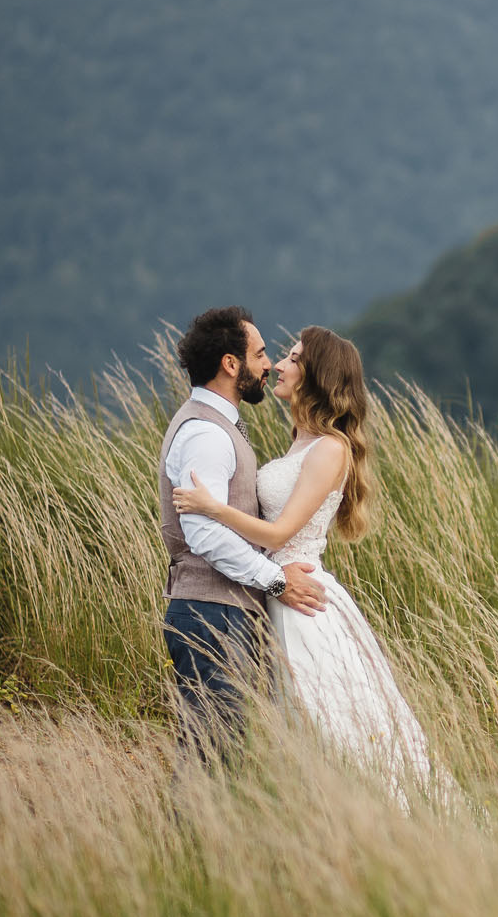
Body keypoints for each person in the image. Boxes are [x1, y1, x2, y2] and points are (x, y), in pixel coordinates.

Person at [174, 324, 445, 805]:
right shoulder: (300, 440)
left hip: (301, 596)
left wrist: (213, 509)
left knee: (330, 720)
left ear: (315, 375)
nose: (278, 364)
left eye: (292, 358)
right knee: (292, 722)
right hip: (276, 591)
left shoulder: (330, 448)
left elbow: (280, 535)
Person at [159, 306, 326, 767]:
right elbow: (205, 535)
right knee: (210, 754)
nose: (270, 364)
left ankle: (199, 836)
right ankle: (188, 837)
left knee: (222, 752)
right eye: (260, 354)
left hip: (222, 609)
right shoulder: (206, 435)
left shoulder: (215, 427)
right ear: (230, 365)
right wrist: (275, 580)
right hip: (212, 611)